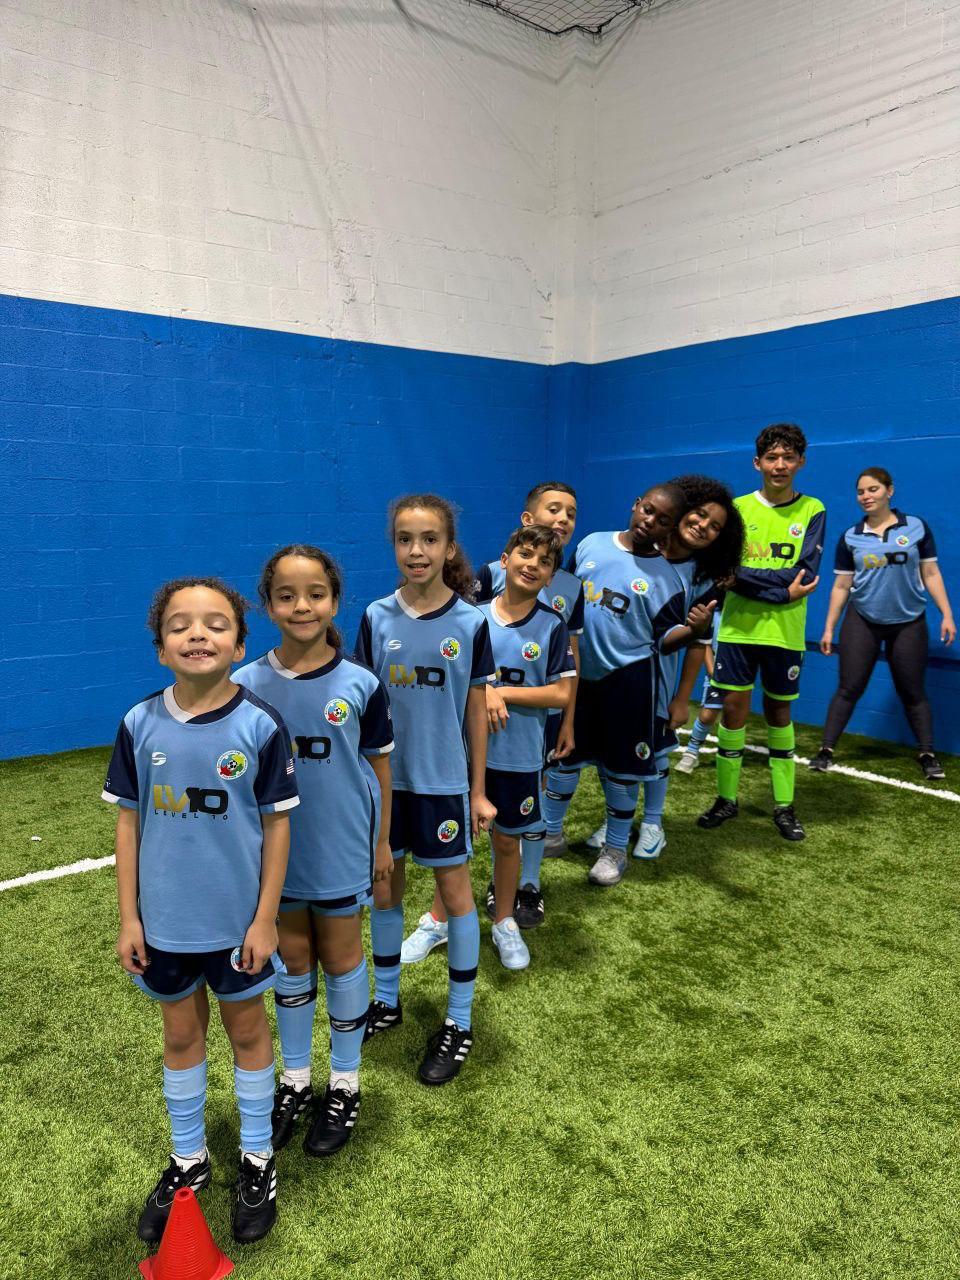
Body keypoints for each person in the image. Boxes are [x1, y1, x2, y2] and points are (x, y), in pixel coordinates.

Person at [103, 578, 299, 1245]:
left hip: (237, 927)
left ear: (240, 645)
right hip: (164, 925)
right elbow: (128, 826)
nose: (197, 634)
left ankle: (257, 1157)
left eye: (216, 624)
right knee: (181, 1037)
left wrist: (265, 919)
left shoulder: (260, 726)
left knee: (247, 1033)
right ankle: (189, 1159)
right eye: (180, 625)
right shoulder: (139, 723)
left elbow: (277, 827)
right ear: (161, 648)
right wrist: (130, 918)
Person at [236, 546, 394, 1159]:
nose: (302, 606)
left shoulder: (361, 684)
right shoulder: (246, 686)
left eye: (315, 594)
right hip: (278, 855)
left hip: (342, 846)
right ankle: (297, 1079)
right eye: (286, 595)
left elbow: (380, 770)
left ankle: (345, 1083)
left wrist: (382, 843)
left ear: (335, 600)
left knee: (343, 955)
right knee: (294, 959)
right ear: (267, 604)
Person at [403, 481, 583, 961]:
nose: (533, 564)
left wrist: (499, 691)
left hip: (519, 755)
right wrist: (480, 694)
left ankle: (504, 921)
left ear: (551, 576)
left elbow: (561, 692)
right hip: (462, 754)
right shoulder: (470, 618)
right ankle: (439, 920)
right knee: (453, 844)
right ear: (504, 561)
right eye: (524, 554)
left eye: (544, 562)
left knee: (507, 843)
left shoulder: (552, 626)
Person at [355, 494, 496, 1085]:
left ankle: (459, 1022)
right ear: (394, 545)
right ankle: (386, 1001)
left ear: (449, 547)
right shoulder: (375, 616)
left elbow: (475, 711)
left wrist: (478, 790)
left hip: (442, 785)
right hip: (386, 786)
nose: (417, 550)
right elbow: (362, 706)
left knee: (455, 894)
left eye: (430, 539)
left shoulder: (471, 622)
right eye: (405, 539)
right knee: (386, 890)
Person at [542, 484, 716, 887]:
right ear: (636, 504)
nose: (650, 521)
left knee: (622, 772)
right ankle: (549, 834)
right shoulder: (591, 544)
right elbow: (561, 596)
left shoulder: (668, 579)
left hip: (628, 683)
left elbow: (664, 640)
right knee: (564, 759)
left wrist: (693, 631)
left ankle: (616, 850)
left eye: (663, 520)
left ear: (671, 529)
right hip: (577, 678)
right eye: (648, 510)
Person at [585, 476, 744, 854]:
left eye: (715, 526)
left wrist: (681, 698)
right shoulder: (639, 549)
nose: (703, 526)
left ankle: (653, 824)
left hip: (658, 679)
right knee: (615, 754)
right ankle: (616, 820)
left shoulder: (703, 576)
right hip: (615, 677)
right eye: (700, 514)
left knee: (655, 750)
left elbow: (698, 644)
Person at [697, 423, 824, 842]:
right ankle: (726, 799)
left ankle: (784, 806)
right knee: (733, 712)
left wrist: (747, 581)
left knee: (779, 714)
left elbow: (804, 573)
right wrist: (781, 592)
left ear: (801, 462)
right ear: (757, 463)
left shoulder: (813, 510)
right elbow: (723, 570)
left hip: (785, 633)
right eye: (772, 457)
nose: (780, 465)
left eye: (788, 457)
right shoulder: (736, 510)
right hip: (737, 630)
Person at [810, 467, 955, 779]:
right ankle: (825, 750)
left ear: (890, 491)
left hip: (909, 621)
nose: (866, 496)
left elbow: (931, 573)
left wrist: (946, 614)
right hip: (862, 619)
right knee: (849, 687)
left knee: (912, 691)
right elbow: (841, 586)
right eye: (861, 492)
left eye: (873, 489)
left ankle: (927, 754)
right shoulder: (850, 536)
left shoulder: (916, 527)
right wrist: (829, 627)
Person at [673, 609, 724, 773]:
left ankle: (730, 756)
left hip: (740, 670)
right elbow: (706, 642)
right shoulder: (715, 613)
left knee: (735, 715)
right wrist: (711, 671)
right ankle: (691, 753)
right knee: (708, 714)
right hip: (717, 671)